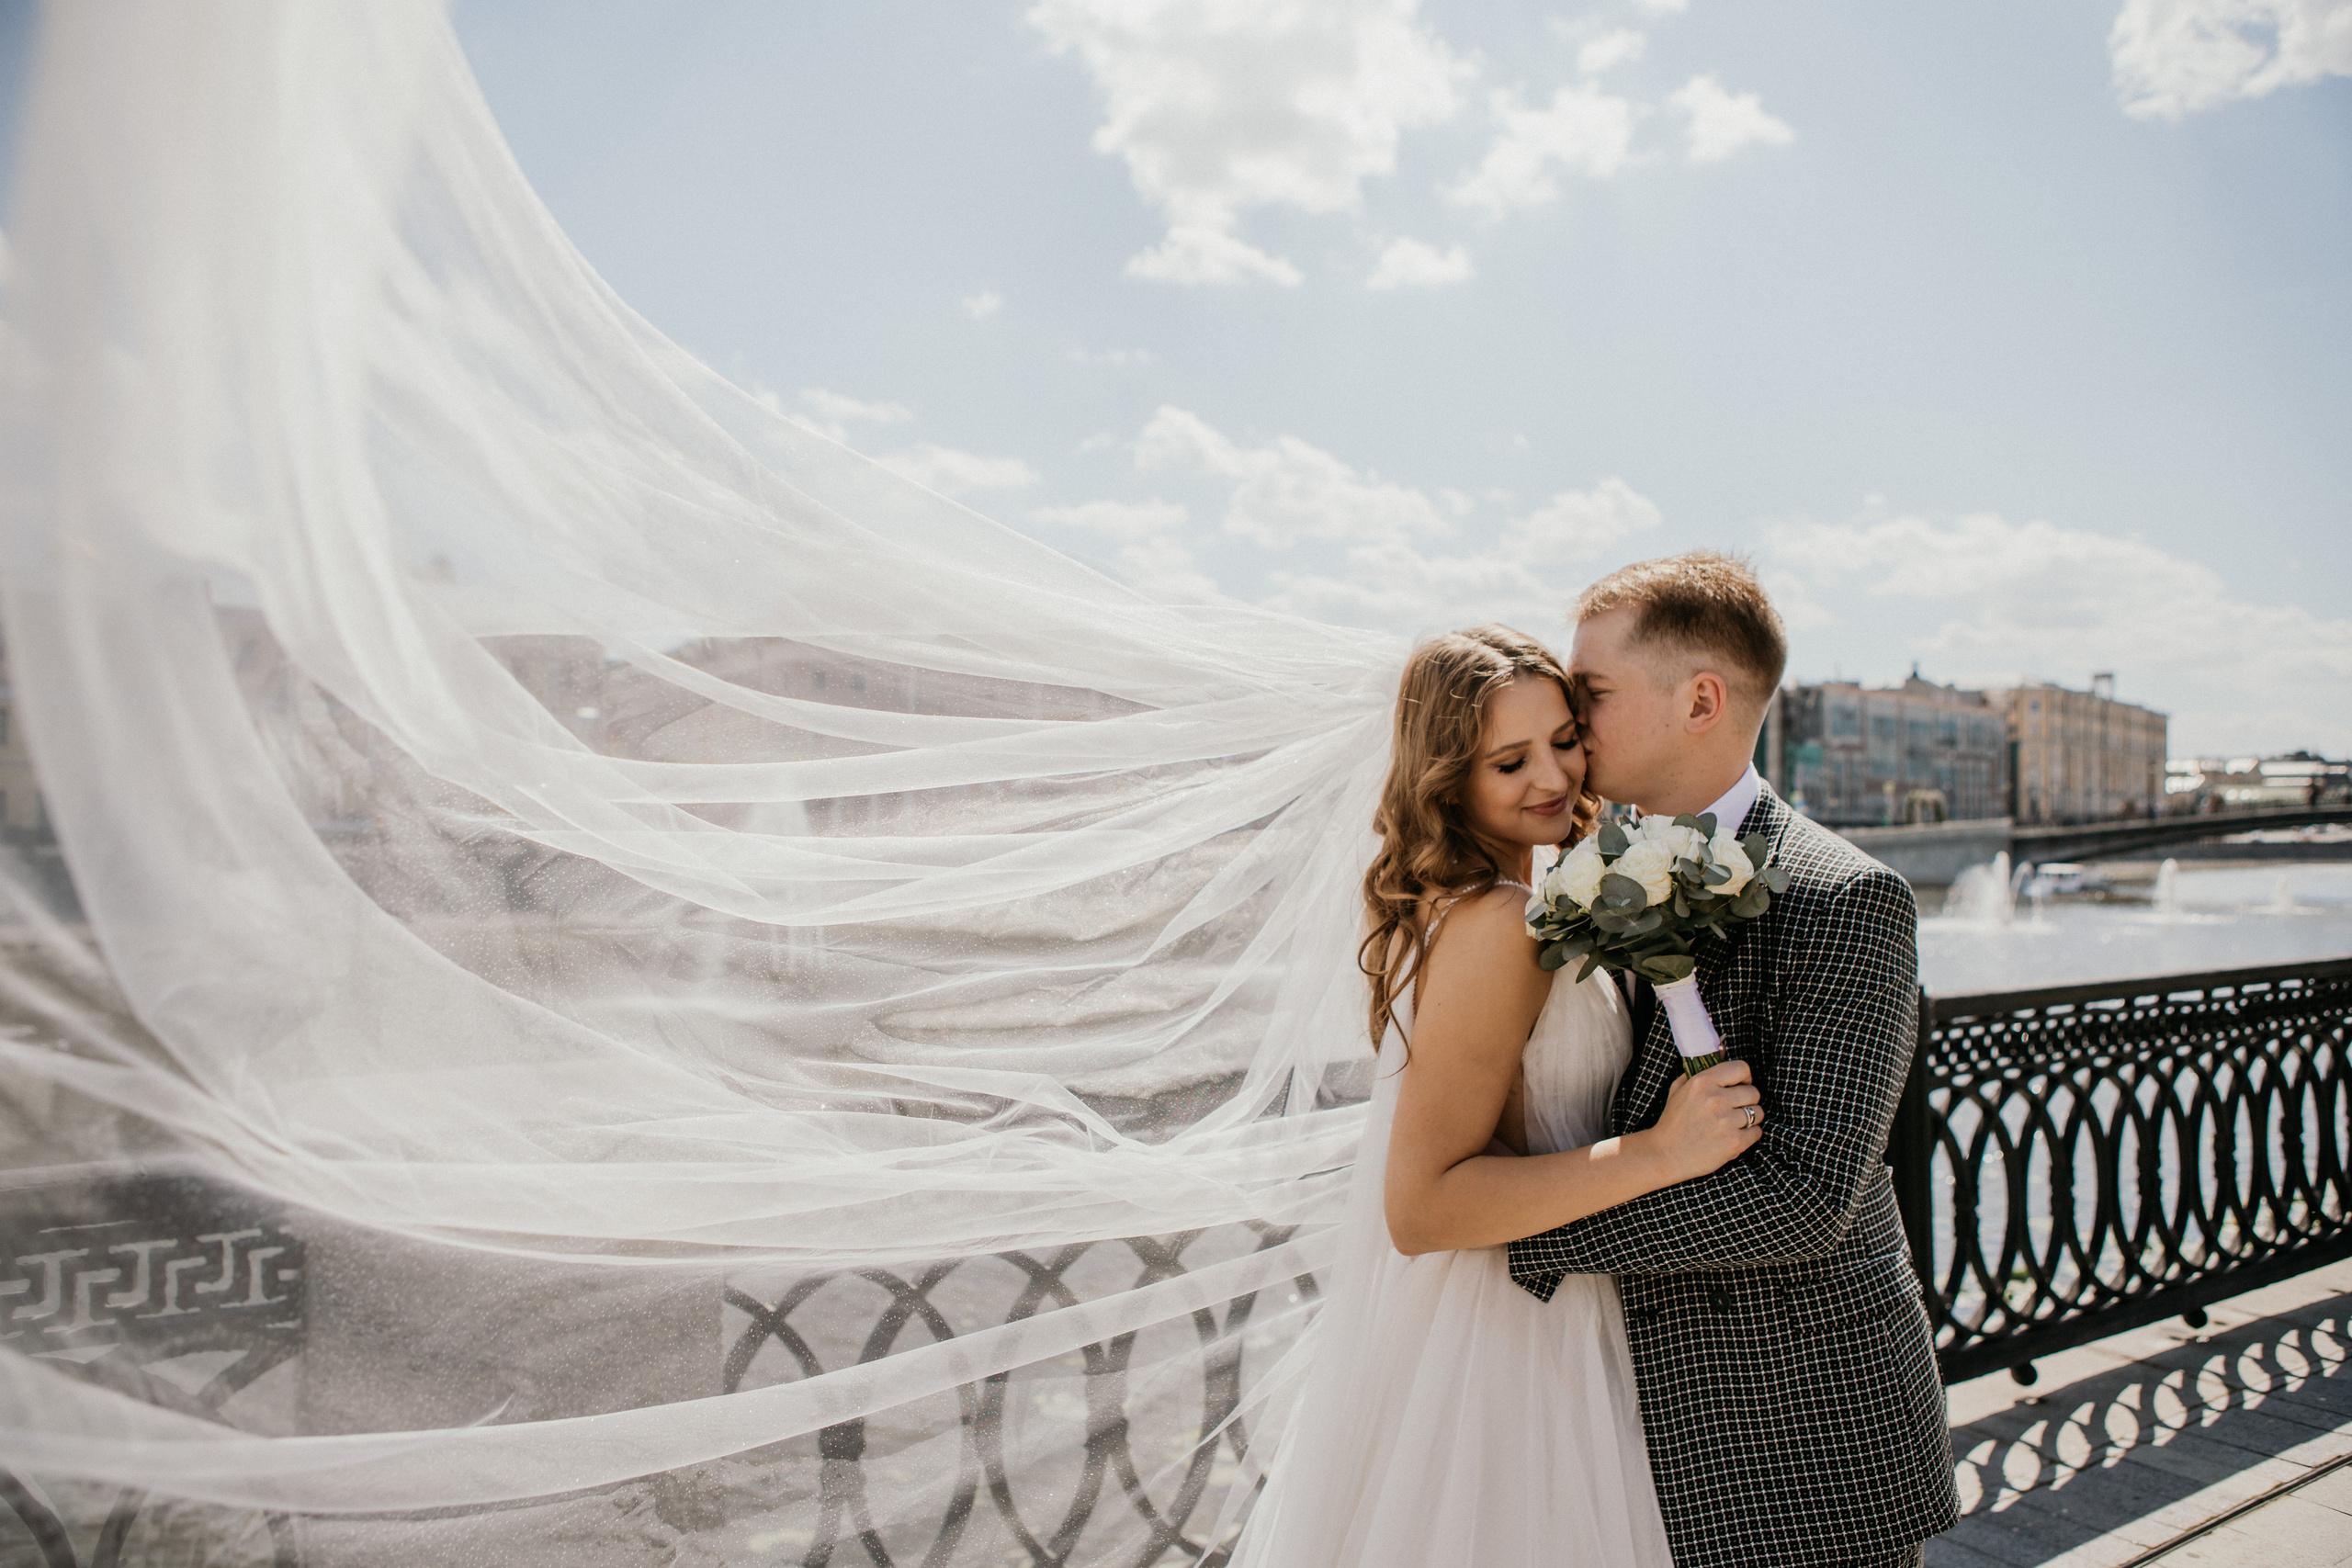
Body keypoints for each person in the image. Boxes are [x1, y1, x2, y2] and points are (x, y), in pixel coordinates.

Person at [1232, 626, 1765, 1568]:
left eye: (1564, 739)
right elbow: (1424, 1205)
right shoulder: (1497, 922)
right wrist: (1661, 1152)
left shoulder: (1509, 896)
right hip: (1508, 1339)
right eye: (1510, 761)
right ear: (1447, 779)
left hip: (1531, 1307)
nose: (1553, 776)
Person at [1509, 553, 1962, 1567]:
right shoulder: (1571, 869)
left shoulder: (1844, 898)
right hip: (1608, 1425)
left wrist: (1516, 1235)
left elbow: (1804, 1196)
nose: (1572, 724)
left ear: (1700, 700)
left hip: (1794, 1439)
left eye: (1592, 693)